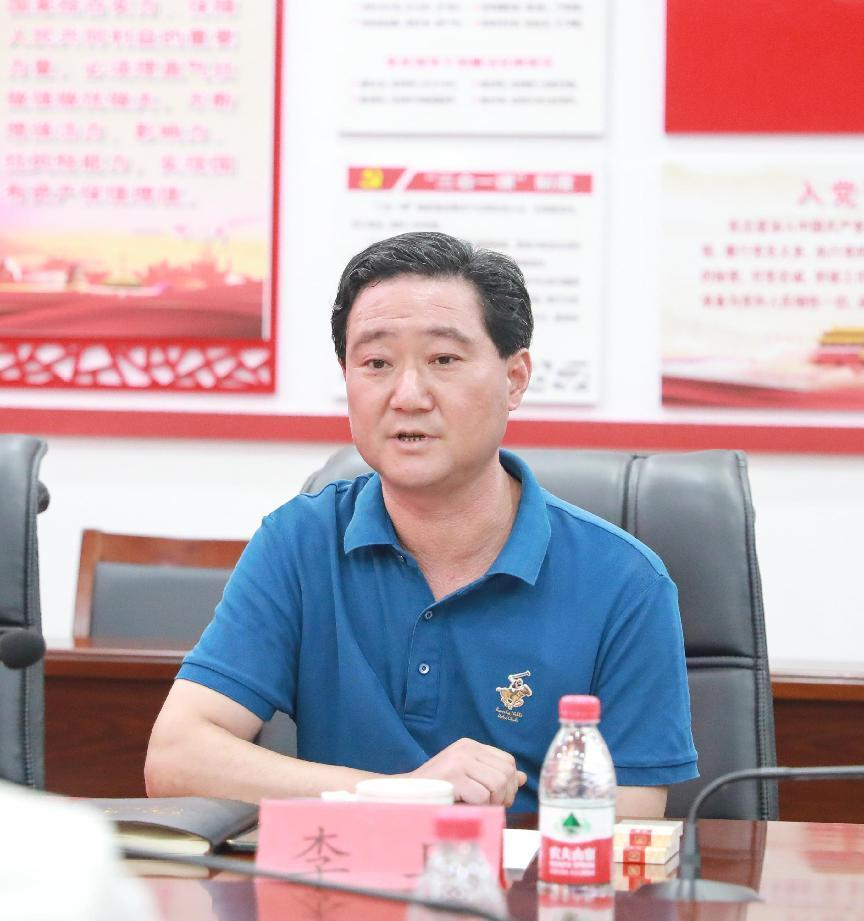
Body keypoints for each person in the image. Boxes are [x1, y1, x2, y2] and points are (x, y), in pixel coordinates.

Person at [146, 232, 697, 814]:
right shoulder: (300, 542)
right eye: (376, 364)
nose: (408, 395)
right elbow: (176, 758)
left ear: (514, 379)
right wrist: (402, 796)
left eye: (443, 360)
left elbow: (632, 818)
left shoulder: (623, 580)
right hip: (349, 871)